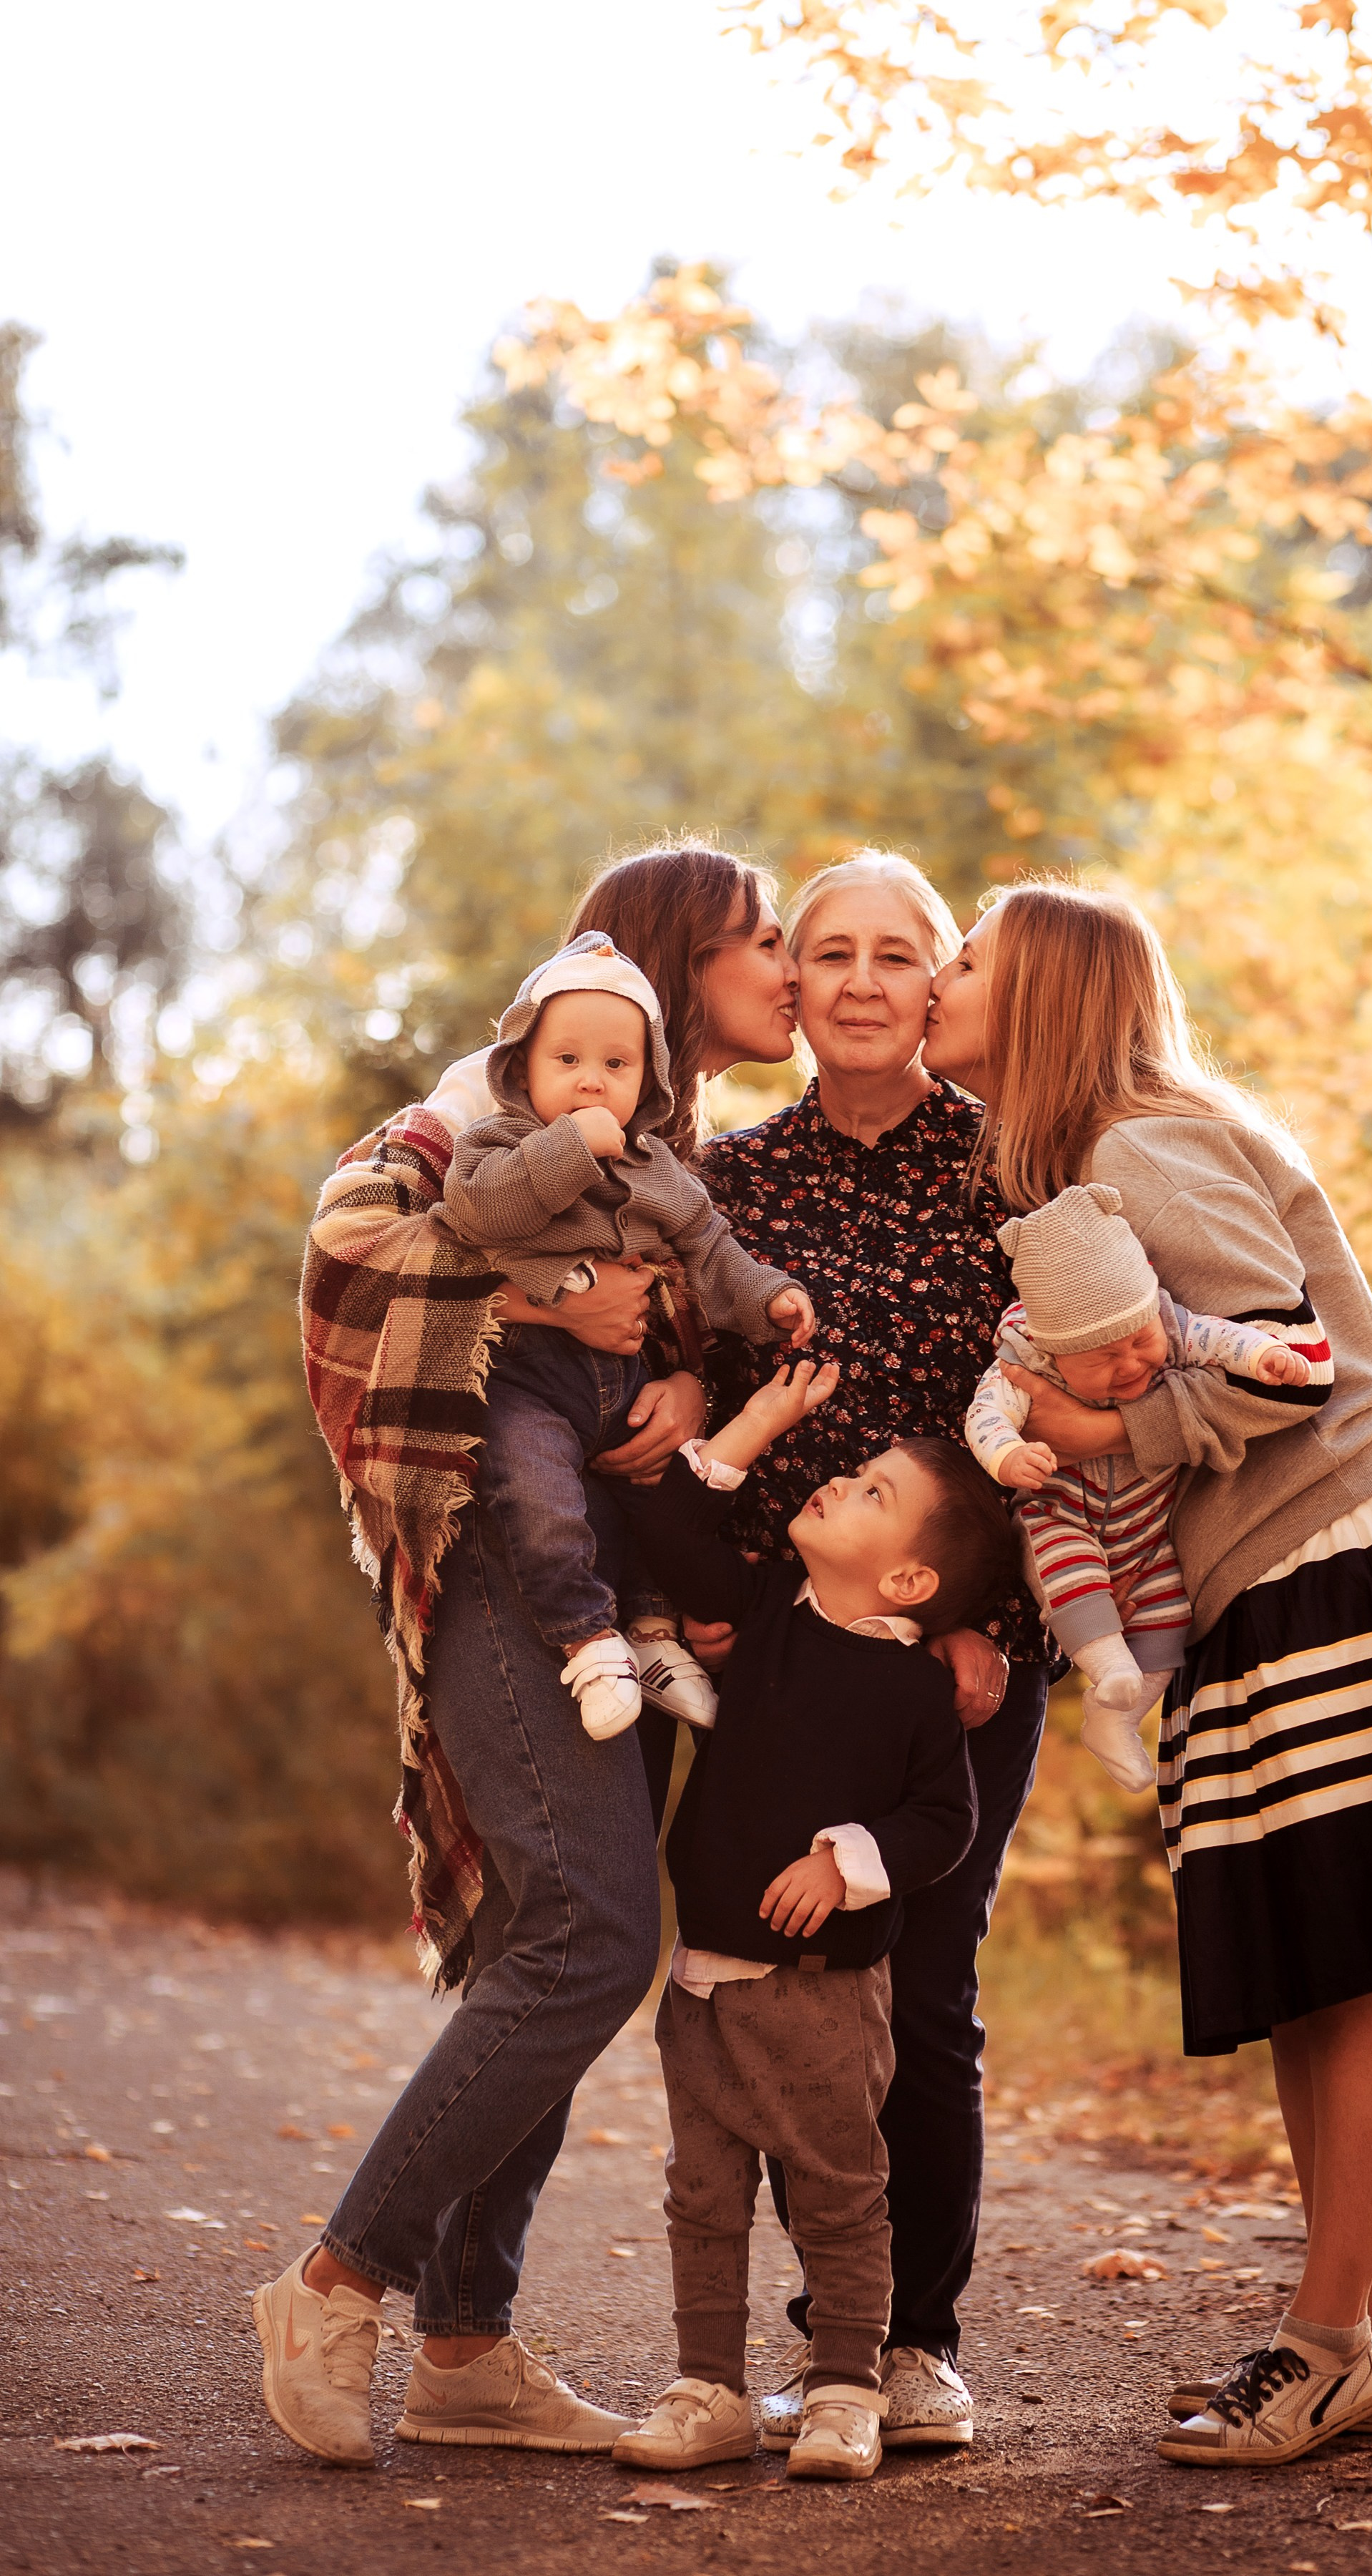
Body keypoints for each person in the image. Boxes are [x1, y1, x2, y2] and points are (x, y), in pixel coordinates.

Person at [927, 879, 1372, 2470]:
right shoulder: (1101, 1157)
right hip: (1268, 1578)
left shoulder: (1142, 1143)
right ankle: (1345, 2339)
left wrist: (1103, 1437)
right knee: (1316, 1954)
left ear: (1046, 1001)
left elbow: (1286, 1360)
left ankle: (1324, 2338)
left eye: (970, 959)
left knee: (1350, 1952)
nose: (946, 979)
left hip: (1335, 1556)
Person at [268, 846, 800, 2469]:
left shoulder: (666, 1135)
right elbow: (354, 1241)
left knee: (547, 1945)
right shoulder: (496, 1093)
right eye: (756, 941)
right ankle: (335, 2276)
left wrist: (687, 1383)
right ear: (669, 962)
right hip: (505, 1558)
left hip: (599, 1583)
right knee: (583, 1933)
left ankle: (467, 2343)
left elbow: (681, 1320)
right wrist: (555, 1296)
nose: (783, 965)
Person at [696, 849, 1057, 2449]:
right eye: (826, 950)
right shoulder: (729, 1177)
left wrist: (978, 1624)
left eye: (895, 955)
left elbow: (1060, 1412)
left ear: (939, 983)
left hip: (970, 1653)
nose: (855, 981)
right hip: (779, 1663)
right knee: (792, 1981)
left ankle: (914, 2343)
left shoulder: (1016, 1169)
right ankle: (828, 2335)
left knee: (926, 1981)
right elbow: (684, 1400)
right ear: (795, 985)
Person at [612, 1364, 1018, 2482]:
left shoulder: (913, 1694)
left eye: (872, 1490)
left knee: (841, 2195)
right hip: (702, 1982)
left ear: (908, 1575)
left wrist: (848, 1865)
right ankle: (709, 2389)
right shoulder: (764, 1621)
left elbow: (946, 1821)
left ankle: (846, 2386)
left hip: (825, 1996)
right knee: (701, 2196)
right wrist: (763, 1421)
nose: (839, 1480)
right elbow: (672, 1521)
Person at [436, 931, 812, 1739]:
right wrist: (569, 1149)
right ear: (520, 1069)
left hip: (624, 1376)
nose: (590, 1081)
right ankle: (586, 1639)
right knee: (539, 1496)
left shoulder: (656, 1169)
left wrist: (767, 1300)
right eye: (566, 1060)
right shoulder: (494, 1144)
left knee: (659, 1494)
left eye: (616, 1066)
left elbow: (711, 1250)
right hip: (528, 1380)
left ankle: (650, 1633)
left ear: (648, 1083)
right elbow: (478, 1216)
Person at [965, 1181, 1317, 1792]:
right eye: (1103, 1359)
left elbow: (1214, 1336)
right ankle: (1104, 1668)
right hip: (1062, 1512)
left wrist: (1263, 1356)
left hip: (1147, 1528)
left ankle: (1117, 1717)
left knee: (1168, 1618)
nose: (1130, 1364)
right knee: (1067, 1568)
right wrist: (1008, 1456)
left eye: (1139, 1342)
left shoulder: (1160, 1323)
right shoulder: (1025, 1359)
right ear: (1056, 1349)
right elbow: (984, 1416)